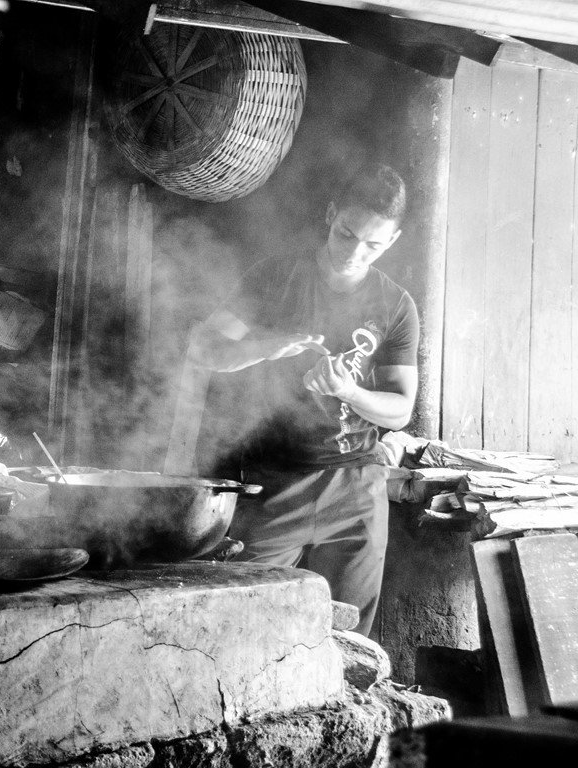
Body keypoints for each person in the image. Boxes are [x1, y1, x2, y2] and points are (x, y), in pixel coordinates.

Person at [179, 163, 419, 636]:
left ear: (392, 241)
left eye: (373, 244)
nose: (354, 252)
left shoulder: (396, 305)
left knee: (350, 638)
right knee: (244, 627)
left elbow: (400, 409)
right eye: (347, 234)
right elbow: (203, 350)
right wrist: (267, 346)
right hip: (273, 480)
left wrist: (348, 391)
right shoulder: (275, 276)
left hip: (354, 484)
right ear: (331, 215)